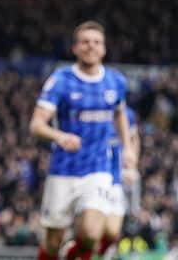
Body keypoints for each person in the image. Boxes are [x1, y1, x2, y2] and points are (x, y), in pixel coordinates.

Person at [29, 20, 136, 260]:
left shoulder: (115, 81)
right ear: (75, 48)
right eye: (85, 42)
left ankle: (74, 252)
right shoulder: (61, 80)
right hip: (63, 170)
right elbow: (36, 125)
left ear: (104, 49)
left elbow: (119, 114)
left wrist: (127, 147)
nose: (91, 47)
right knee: (53, 241)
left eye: (97, 42)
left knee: (90, 233)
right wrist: (60, 136)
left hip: (98, 168)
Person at [97, 106, 140, 257]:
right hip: (96, 174)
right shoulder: (96, 111)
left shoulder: (128, 114)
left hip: (118, 175)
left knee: (117, 226)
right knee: (94, 222)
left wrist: (132, 165)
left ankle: (111, 249)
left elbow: (134, 138)